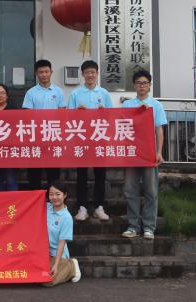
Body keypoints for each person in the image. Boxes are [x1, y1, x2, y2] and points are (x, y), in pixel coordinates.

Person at [121, 69, 168, 240]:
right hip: (131, 154)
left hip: (149, 154)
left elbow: (159, 130)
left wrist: (159, 152)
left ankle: (149, 227)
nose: (142, 86)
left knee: (151, 191)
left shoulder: (156, 105)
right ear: (134, 85)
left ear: (150, 85)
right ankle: (132, 226)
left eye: (145, 83)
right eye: (139, 83)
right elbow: (121, 128)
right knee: (130, 190)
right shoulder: (127, 105)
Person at [67, 60, 113, 221]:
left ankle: (99, 206)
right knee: (81, 174)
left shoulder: (104, 93)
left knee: (100, 174)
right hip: (81, 139)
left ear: (97, 73)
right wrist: (77, 112)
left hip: (99, 138)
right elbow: (68, 117)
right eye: (87, 72)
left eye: (93, 72)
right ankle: (82, 207)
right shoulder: (75, 94)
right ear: (82, 74)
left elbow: (111, 117)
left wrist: (104, 112)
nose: (90, 75)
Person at [23, 60, 66, 189]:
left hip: (53, 137)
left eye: (46, 71)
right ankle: (35, 199)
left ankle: (53, 198)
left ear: (51, 72)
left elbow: (62, 114)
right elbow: (27, 116)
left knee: (53, 173)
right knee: (34, 172)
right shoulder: (30, 93)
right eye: (41, 72)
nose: (44, 75)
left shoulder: (59, 91)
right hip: (35, 138)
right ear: (36, 73)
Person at [44, 180, 81, 286]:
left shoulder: (66, 217)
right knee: (33, 276)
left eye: (58, 194)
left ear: (64, 195)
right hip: (44, 253)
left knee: (48, 281)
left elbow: (62, 242)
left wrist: (56, 265)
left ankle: (71, 266)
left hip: (58, 256)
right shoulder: (46, 207)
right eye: (51, 194)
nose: (54, 197)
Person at [0, 83, 18, 191]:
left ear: (7, 95)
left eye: (2, 93)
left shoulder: (14, 110)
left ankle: (13, 202)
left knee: (11, 179)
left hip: (10, 151)